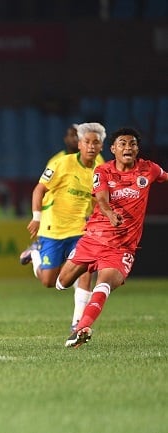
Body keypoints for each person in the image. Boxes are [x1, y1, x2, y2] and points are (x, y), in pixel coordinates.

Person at [57, 127, 167, 348]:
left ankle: (82, 328)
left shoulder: (149, 169)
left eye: (132, 144)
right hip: (94, 238)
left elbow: (165, 176)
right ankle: (81, 267)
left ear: (137, 149)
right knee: (61, 282)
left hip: (122, 247)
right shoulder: (103, 170)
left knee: (104, 283)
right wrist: (109, 213)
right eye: (123, 144)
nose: (128, 147)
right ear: (113, 149)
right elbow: (102, 198)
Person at [20, 123, 106, 331]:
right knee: (50, 281)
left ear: (102, 146)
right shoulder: (60, 163)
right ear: (80, 144)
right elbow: (39, 190)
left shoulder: (102, 169)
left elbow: (99, 199)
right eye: (87, 142)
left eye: (96, 142)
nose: (91, 146)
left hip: (80, 229)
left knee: (86, 270)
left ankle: (78, 323)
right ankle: (36, 254)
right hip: (53, 227)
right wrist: (37, 217)